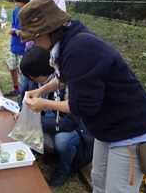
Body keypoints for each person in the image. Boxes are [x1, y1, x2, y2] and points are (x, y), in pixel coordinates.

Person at [19, 0, 146, 192]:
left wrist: (45, 105)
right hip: (106, 127)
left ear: (48, 30)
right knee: (98, 180)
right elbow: (65, 78)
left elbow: (84, 106)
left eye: (34, 37)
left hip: (129, 129)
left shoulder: (78, 49)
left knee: (117, 189)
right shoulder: (66, 44)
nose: (34, 43)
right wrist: (41, 90)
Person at [21, 46, 94, 186]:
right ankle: (52, 154)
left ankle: (65, 169)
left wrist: (35, 119)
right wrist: (26, 113)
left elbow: (70, 122)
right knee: (29, 129)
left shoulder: (71, 85)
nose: (32, 80)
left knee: (62, 141)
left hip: (77, 130)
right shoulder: (41, 83)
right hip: (57, 123)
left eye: (33, 77)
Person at [5, 0, 31, 97]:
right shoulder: (15, 11)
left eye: (17, 1)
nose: (15, 4)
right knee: (12, 68)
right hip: (14, 45)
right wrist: (11, 30)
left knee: (23, 71)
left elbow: (31, 31)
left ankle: (23, 91)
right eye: (14, 1)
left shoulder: (30, 11)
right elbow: (13, 25)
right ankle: (16, 88)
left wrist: (20, 32)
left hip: (23, 47)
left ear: (24, 0)